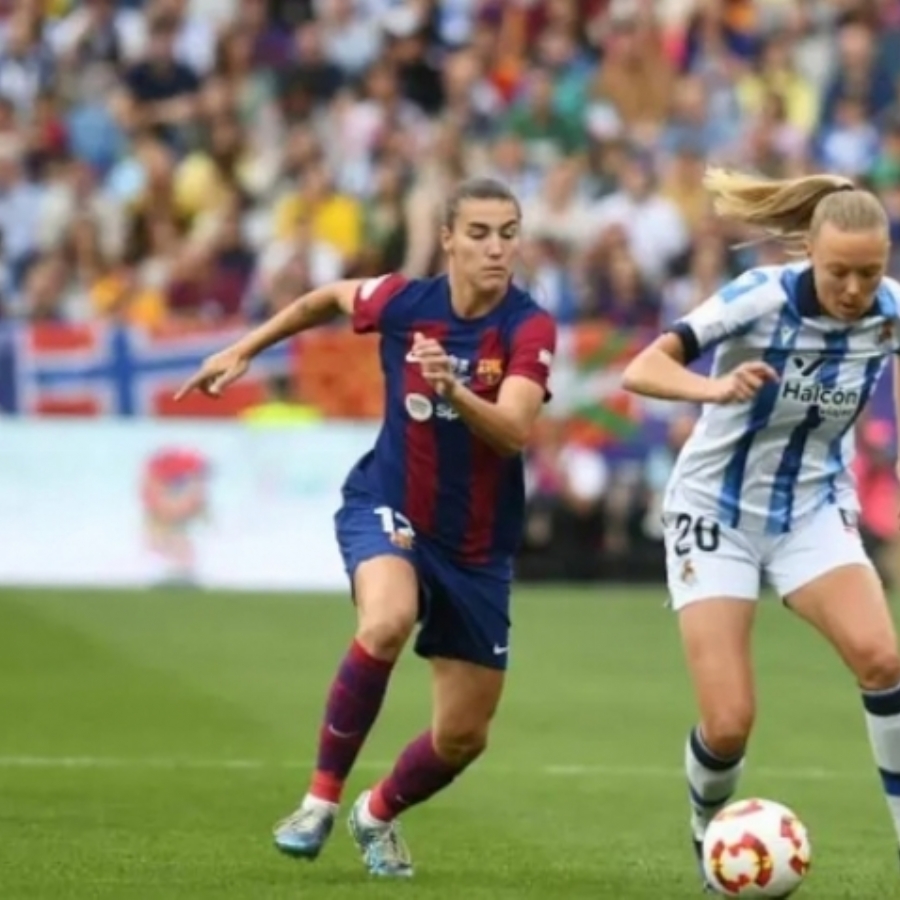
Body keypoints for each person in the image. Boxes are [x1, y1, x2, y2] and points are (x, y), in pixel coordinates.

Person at [175, 177, 556, 878]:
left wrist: (454, 389)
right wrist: (245, 349)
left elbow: (513, 431)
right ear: (447, 239)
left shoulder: (527, 327)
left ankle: (374, 813)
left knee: (464, 736)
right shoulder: (404, 302)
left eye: (508, 231)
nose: (496, 247)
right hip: (390, 502)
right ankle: (318, 802)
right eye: (479, 232)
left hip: (476, 547)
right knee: (387, 620)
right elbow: (325, 298)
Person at [621, 167, 900, 888]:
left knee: (884, 659)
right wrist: (713, 386)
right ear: (810, 251)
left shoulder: (891, 311)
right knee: (730, 722)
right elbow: (643, 368)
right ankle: (704, 825)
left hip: (811, 509)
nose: (852, 290)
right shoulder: (759, 298)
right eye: (839, 272)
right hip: (714, 510)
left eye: (869, 273)